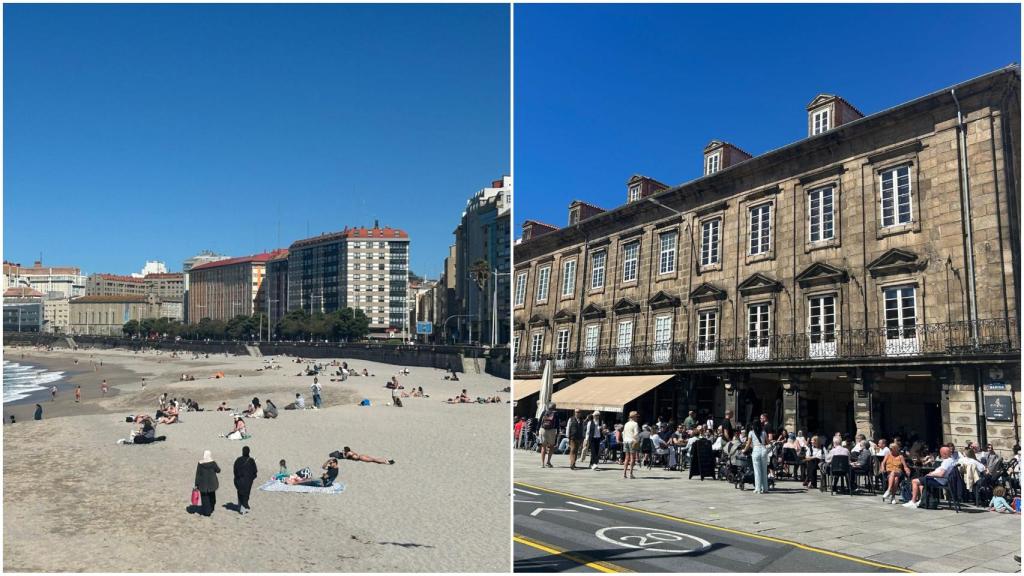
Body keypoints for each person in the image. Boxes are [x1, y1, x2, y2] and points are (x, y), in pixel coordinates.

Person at [194, 450, 221, 517]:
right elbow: (218, 470)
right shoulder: (213, 462)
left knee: (204, 498)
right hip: (212, 483)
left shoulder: (200, 463)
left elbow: (198, 474)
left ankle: (207, 512)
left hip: (203, 483)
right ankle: (211, 509)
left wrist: (196, 484)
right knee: (212, 497)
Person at [233, 446, 258, 515]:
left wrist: (236, 477)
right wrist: (251, 478)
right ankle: (243, 509)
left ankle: (240, 506)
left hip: (239, 479)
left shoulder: (238, 460)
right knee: (246, 494)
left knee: (240, 492)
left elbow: (235, 470)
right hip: (248, 480)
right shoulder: (251, 460)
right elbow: (255, 471)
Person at [746, 419, 769, 493]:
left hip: (756, 450)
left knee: (757, 471)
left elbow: (748, 444)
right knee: (764, 470)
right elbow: (767, 442)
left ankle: (758, 489)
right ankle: (765, 488)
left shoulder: (751, 433)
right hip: (763, 449)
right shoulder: (764, 432)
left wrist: (744, 450)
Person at [538, 402, 560, 469]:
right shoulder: (556, 413)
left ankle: (542, 463)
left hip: (543, 430)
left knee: (543, 447)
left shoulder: (544, 412)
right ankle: (548, 462)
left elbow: (539, 421)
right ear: (554, 407)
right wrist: (558, 431)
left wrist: (537, 429)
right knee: (551, 446)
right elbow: (557, 423)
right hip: (552, 430)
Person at [623, 411, 640, 479]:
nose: (637, 418)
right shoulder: (635, 424)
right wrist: (636, 439)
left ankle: (624, 473)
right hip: (632, 441)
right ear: (633, 417)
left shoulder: (626, 424)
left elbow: (623, 433)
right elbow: (636, 433)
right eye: (636, 416)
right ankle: (630, 473)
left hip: (626, 441)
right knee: (632, 458)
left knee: (626, 458)